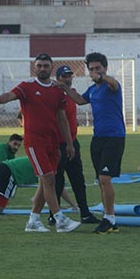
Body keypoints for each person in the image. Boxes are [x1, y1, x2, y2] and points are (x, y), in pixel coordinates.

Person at [0, 53, 81, 233]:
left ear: (51, 67)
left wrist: (70, 144)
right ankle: (60, 219)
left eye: (45, 66)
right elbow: (10, 95)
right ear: (35, 67)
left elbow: (62, 118)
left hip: (53, 142)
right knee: (48, 179)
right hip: (35, 142)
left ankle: (33, 220)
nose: (42, 69)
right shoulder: (27, 87)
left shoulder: (58, 90)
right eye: (39, 65)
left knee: (46, 182)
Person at [58, 52, 125, 234]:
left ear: (105, 68)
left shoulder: (111, 85)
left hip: (114, 137)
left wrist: (102, 77)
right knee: (101, 181)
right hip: (98, 138)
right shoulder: (93, 89)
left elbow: (112, 82)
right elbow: (80, 100)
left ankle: (110, 218)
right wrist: (63, 87)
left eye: (98, 68)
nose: (94, 72)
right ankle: (108, 218)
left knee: (105, 178)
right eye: (91, 69)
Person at [47, 66, 99, 226]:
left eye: (69, 76)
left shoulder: (72, 93)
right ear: (58, 78)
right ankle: (53, 215)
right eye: (64, 77)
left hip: (72, 141)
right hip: (59, 143)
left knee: (78, 178)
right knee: (57, 179)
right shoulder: (53, 94)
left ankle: (85, 213)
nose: (68, 79)